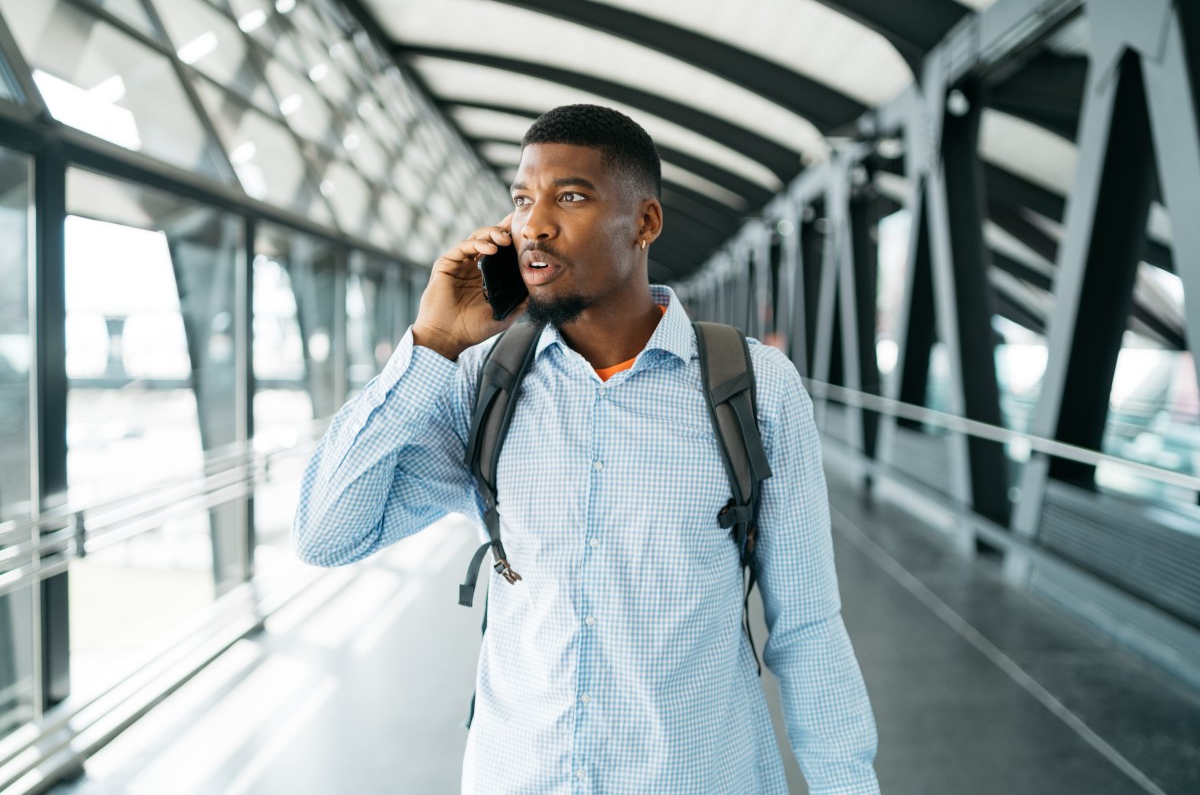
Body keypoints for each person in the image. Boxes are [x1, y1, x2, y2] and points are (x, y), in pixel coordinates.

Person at [293, 104, 879, 794]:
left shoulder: (752, 388)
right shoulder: (483, 387)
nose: (534, 223)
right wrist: (433, 345)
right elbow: (326, 535)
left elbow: (807, 629)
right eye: (520, 199)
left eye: (570, 196)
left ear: (645, 223)